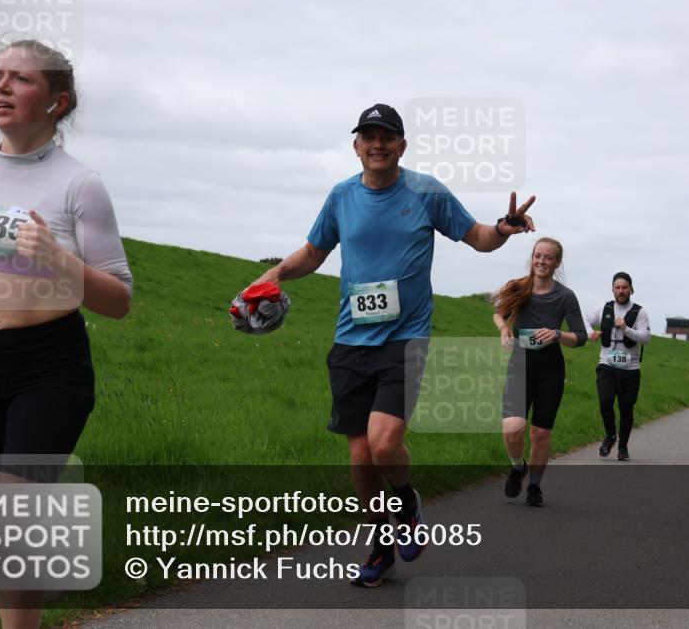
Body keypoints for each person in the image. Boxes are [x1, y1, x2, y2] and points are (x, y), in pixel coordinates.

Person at [247, 103, 535, 587]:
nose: (377, 145)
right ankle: (381, 543)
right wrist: (275, 272)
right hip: (348, 341)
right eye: (368, 137)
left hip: (405, 340)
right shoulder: (341, 196)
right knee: (360, 458)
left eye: (387, 137)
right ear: (356, 146)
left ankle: (407, 502)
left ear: (402, 145)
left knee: (383, 445)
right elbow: (314, 253)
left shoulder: (425, 192)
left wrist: (503, 228)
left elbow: (478, 237)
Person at [0, 40, 133, 629]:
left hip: (48, 366)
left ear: (57, 101)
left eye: (20, 79)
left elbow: (119, 300)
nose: (1, 87)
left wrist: (56, 258)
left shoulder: (80, 185)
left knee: (11, 534)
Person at [492, 237, 587, 507]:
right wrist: (504, 328)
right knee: (512, 427)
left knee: (540, 434)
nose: (541, 261)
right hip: (520, 364)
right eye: (537, 256)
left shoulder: (565, 296)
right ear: (532, 258)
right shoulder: (519, 287)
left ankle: (534, 487)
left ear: (557, 262)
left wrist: (558, 334)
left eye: (547, 257)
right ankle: (516, 467)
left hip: (550, 369)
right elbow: (499, 313)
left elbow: (580, 337)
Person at [585, 272, 651, 461]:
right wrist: (590, 333)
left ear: (631, 289)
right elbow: (585, 320)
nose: (621, 291)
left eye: (624, 287)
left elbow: (646, 338)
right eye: (617, 287)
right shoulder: (604, 307)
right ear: (613, 289)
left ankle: (623, 446)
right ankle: (610, 435)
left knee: (626, 409)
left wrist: (625, 328)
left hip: (630, 369)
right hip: (607, 364)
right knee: (605, 400)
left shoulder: (640, 312)